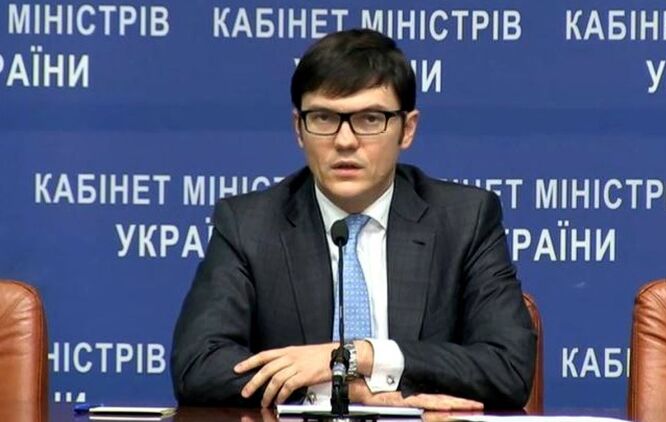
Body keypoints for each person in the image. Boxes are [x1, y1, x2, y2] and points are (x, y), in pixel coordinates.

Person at [171, 28, 536, 410]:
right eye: (323, 118)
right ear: (299, 129)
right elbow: (199, 367)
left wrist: (361, 357)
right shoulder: (249, 225)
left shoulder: (464, 220)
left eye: (370, 119)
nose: (345, 141)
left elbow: (507, 368)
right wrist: (341, 392)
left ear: (407, 129)